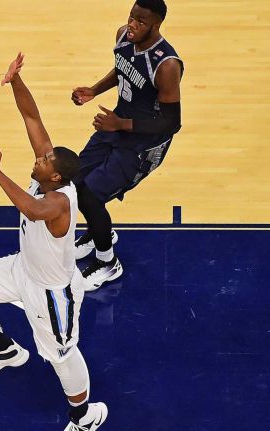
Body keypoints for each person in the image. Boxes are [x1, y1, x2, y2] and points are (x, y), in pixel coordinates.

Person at [0, 54, 108, 431]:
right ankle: (4, 348)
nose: (39, 160)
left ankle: (84, 416)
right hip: (22, 269)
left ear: (54, 178)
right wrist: (16, 81)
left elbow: (31, 208)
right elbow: (32, 119)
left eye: (45, 162)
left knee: (61, 355)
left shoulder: (57, 202)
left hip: (53, 292)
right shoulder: (50, 175)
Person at [71, 0, 183, 289]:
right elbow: (123, 68)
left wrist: (121, 125)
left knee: (91, 196)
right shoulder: (123, 35)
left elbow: (172, 123)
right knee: (77, 181)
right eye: (132, 17)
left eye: (141, 21)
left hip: (144, 144)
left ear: (156, 25)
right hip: (117, 124)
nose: (132, 24)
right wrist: (94, 90)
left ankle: (108, 262)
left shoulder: (167, 65)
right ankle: (99, 233)